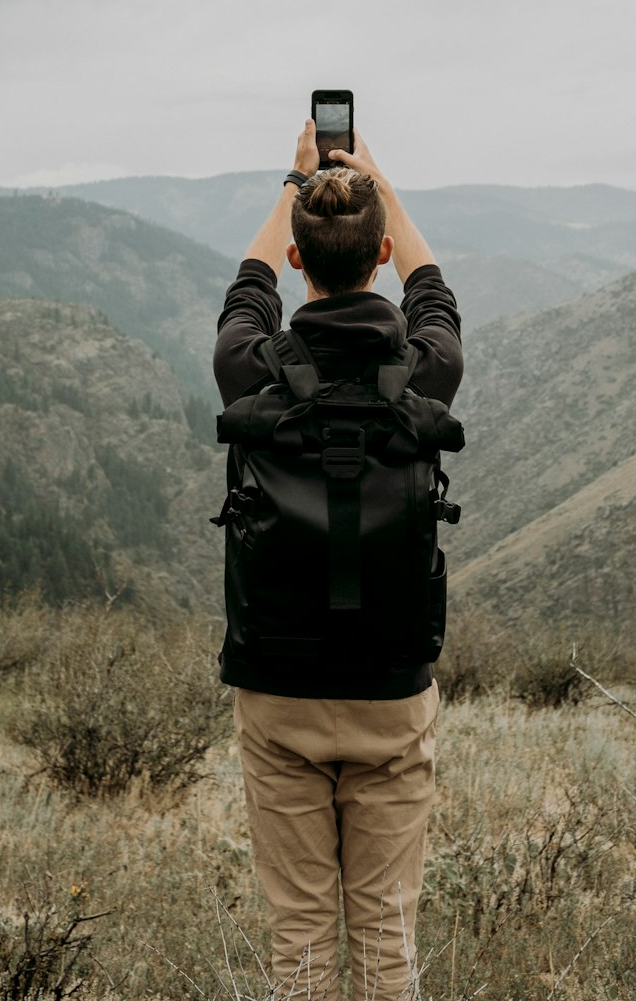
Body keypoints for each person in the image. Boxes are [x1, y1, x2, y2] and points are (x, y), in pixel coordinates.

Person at [212, 119, 464, 1001]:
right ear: (381, 249)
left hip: (277, 688)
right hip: (391, 691)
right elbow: (432, 292)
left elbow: (247, 291)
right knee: (388, 939)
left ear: (298, 257)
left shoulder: (251, 369)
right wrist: (380, 185)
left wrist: (295, 184)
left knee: (302, 943)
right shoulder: (424, 370)